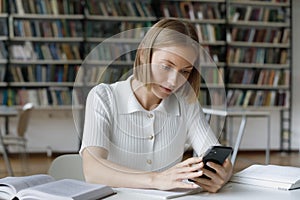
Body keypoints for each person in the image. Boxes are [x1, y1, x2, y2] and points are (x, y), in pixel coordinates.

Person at [79, 18, 233, 193]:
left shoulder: (186, 102)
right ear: (145, 55)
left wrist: (223, 173)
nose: (174, 81)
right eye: (166, 67)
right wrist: (157, 179)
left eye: (184, 71)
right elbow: (92, 170)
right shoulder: (104, 97)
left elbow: (214, 155)